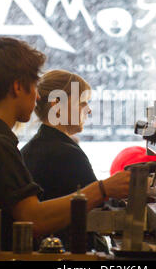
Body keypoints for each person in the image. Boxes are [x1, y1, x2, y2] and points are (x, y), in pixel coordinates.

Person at [0, 37, 130, 251]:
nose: (37, 95)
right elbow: (34, 219)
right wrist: (103, 188)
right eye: (34, 86)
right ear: (17, 87)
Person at [20, 70, 111, 251]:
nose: (89, 110)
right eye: (83, 103)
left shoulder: (30, 149)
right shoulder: (67, 154)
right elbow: (102, 210)